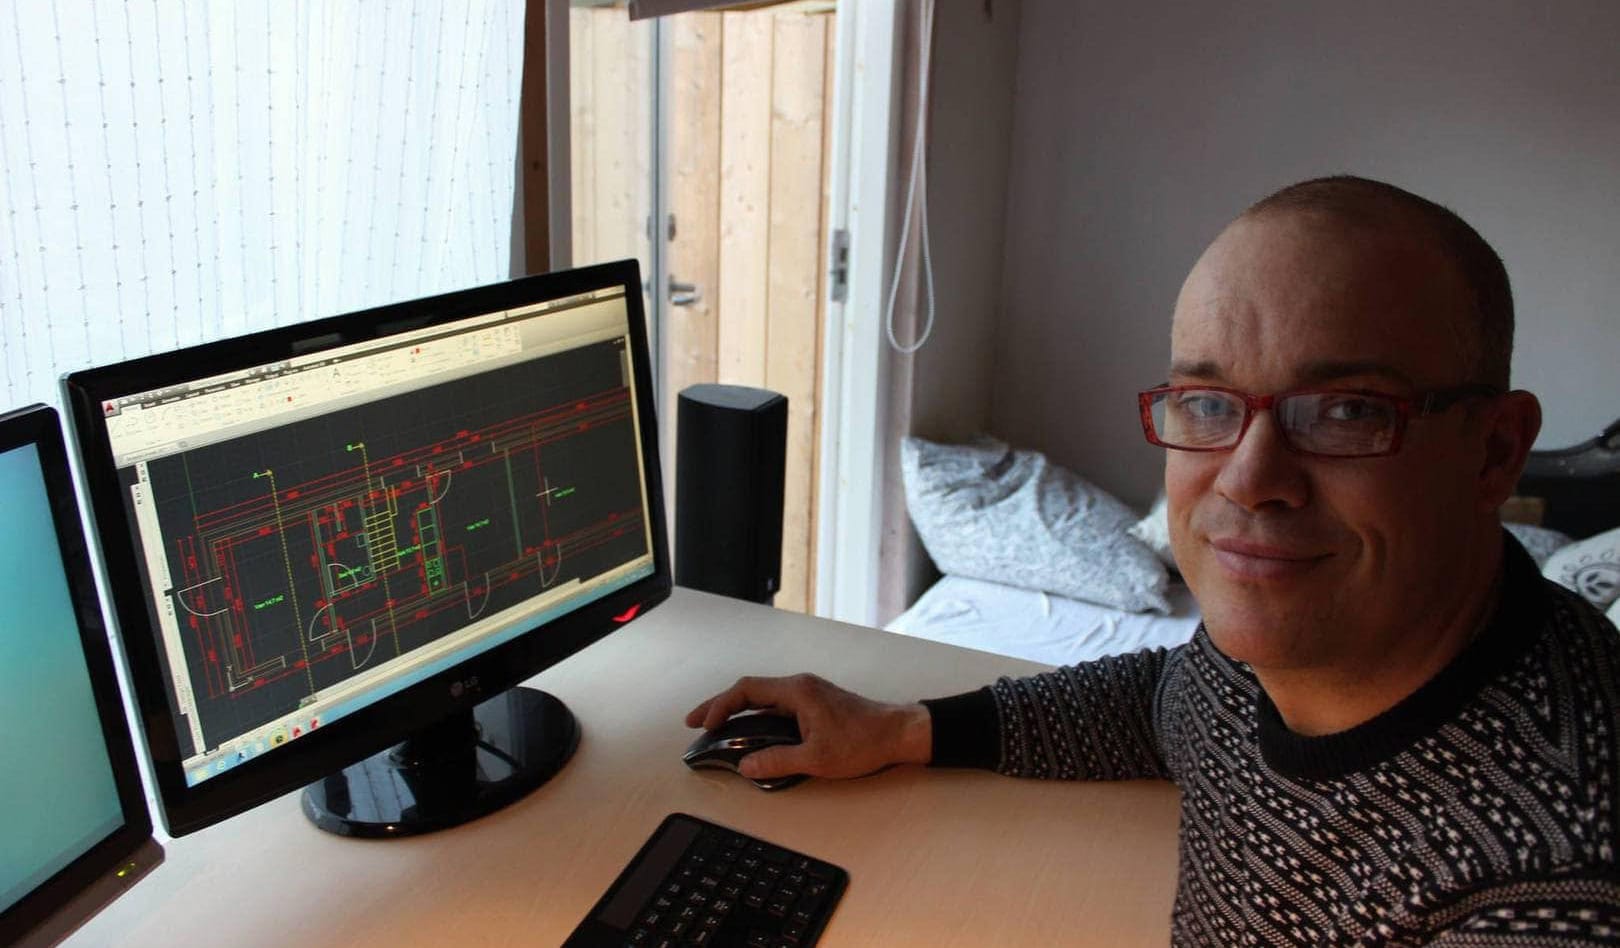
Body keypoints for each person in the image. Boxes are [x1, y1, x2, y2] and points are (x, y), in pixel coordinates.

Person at [686, 176, 1620, 944]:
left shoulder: (1555, 883)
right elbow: (1167, 703)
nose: (1250, 481)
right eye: (1208, 405)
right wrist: (898, 729)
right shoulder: (1295, 645)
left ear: (1495, 453)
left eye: (1347, 411)